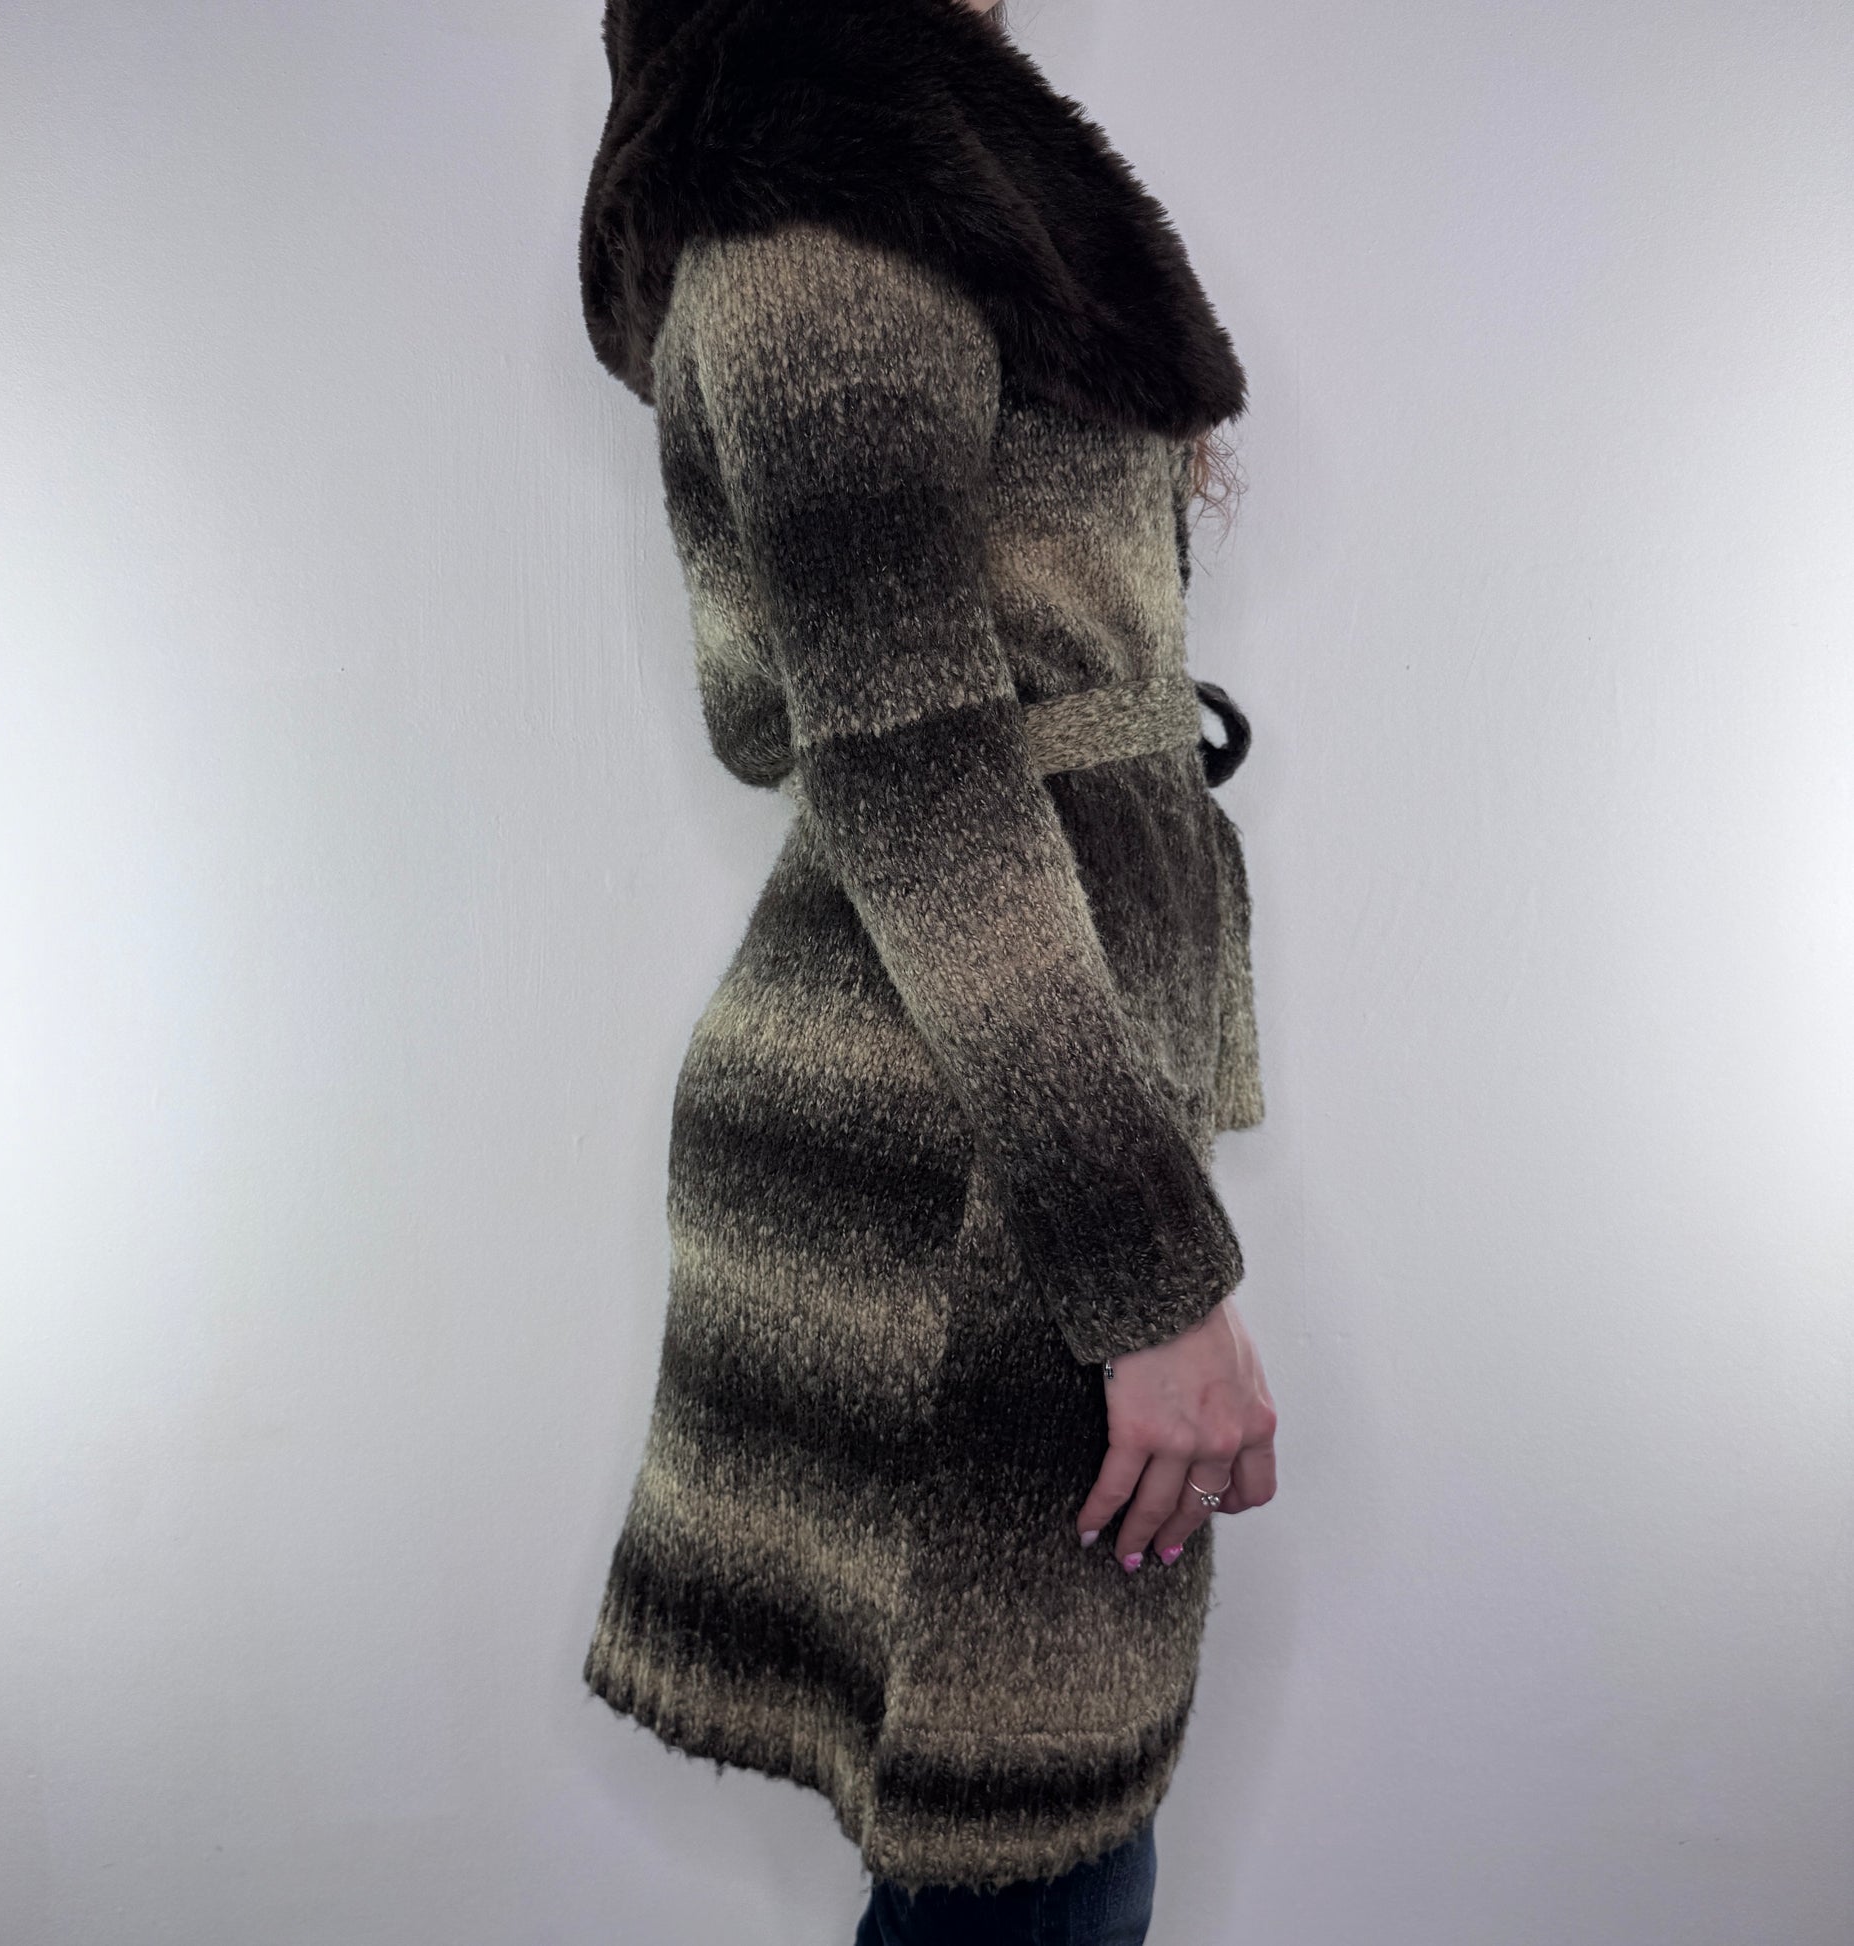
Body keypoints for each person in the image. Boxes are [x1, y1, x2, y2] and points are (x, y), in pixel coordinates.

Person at [577, 1, 1280, 1938]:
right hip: (954, 1175)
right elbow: (912, 774)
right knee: (1034, 1865)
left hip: (998, 1119)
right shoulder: (815, 209)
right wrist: (1148, 1276)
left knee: (1036, 1865)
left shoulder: (924, 183)